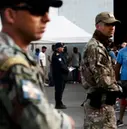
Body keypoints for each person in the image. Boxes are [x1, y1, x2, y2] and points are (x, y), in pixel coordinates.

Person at [0, 0, 75, 128]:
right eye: (38, 11)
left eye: (47, 11)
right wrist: (67, 123)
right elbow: (42, 123)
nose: (47, 18)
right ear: (10, 15)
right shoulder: (14, 64)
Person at [81, 12, 121, 129]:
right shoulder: (96, 47)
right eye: (108, 25)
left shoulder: (101, 45)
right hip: (99, 105)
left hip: (103, 103)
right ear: (98, 26)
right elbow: (103, 80)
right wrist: (118, 88)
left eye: (113, 25)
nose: (112, 28)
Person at [52, 43, 69, 109]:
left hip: (62, 76)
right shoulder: (56, 55)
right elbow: (61, 65)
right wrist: (67, 70)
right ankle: (58, 104)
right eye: (62, 47)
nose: (63, 48)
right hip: (59, 76)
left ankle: (60, 102)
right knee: (59, 90)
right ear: (58, 48)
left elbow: (64, 63)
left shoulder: (61, 54)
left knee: (61, 90)